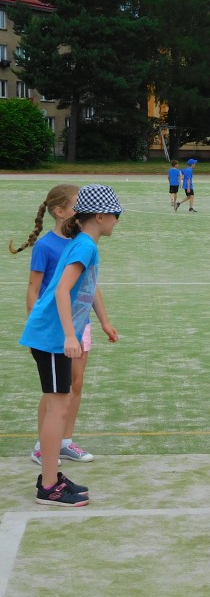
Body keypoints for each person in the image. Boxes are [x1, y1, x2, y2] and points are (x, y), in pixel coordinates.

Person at [19, 184, 123, 506]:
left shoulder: (83, 242)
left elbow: (86, 289)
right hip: (52, 336)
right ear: (103, 217)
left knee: (59, 404)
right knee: (58, 406)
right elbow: (62, 290)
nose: (117, 222)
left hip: (54, 333)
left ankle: (51, 477)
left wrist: (101, 322)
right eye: (116, 216)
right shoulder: (84, 247)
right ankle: (49, 486)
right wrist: (68, 335)